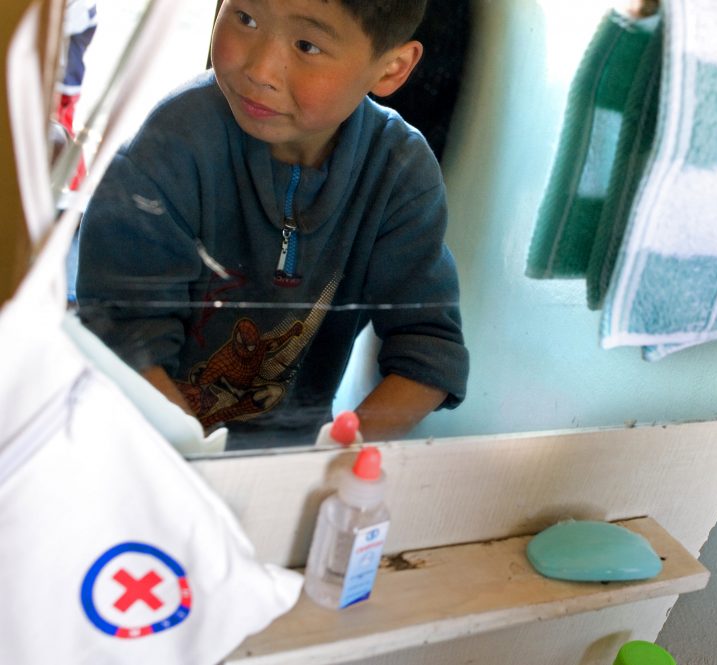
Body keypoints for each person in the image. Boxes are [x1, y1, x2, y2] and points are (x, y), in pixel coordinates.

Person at [75, 0, 469, 447]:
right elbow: (122, 334)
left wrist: (335, 457)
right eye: (245, 18)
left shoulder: (398, 174)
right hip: (142, 444)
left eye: (307, 45)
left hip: (287, 466)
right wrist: (197, 466)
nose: (260, 70)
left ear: (392, 68)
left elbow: (429, 353)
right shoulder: (171, 148)